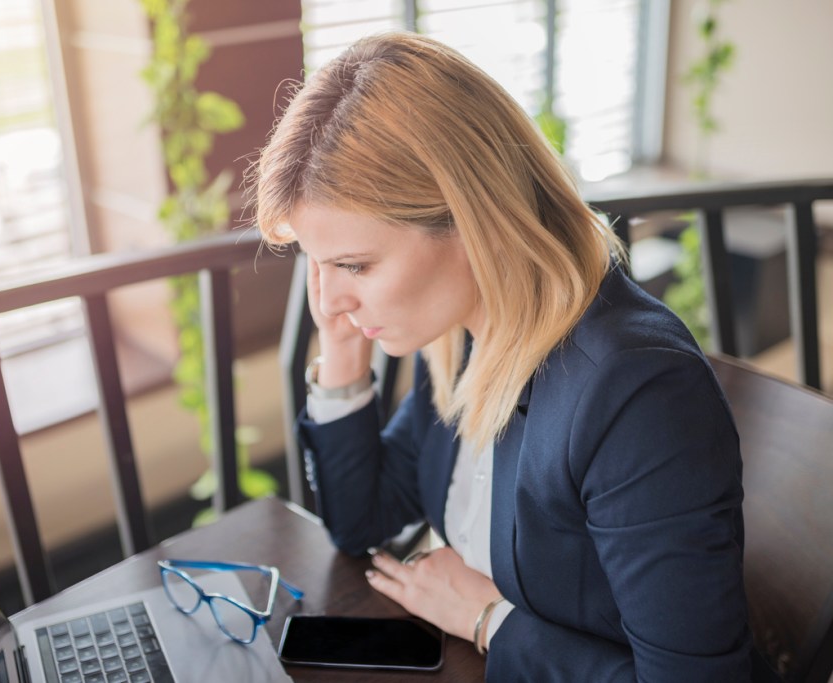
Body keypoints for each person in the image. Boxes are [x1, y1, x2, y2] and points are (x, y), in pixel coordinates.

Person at [249, 32, 765, 681]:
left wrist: (490, 621)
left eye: (353, 264)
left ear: (470, 220)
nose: (330, 298)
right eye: (316, 266)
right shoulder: (468, 330)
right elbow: (363, 520)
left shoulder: (637, 392)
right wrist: (344, 350)